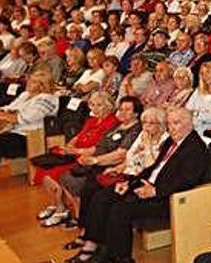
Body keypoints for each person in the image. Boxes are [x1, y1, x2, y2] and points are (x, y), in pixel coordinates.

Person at [73, 107, 208, 263]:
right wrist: (130, 183)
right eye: (169, 124)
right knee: (102, 196)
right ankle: (100, 248)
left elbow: (187, 181)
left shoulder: (195, 148)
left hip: (168, 198)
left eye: (177, 123)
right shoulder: (171, 142)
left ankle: (123, 262)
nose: (172, 128)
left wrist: (156, 191)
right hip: (149, 186)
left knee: (120, 210)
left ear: (190, 124)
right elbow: (153, 169)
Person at [41, 96, 143, 229]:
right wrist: (83, 154)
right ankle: (73, 215)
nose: (123, 112)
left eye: (128, 109)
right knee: (64, 175)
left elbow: (120, 155)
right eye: (121, 109)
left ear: (136, 113)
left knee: (77, 181)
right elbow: (97, 146)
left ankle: (82, 222)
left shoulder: (135, 130)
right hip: (95, 160)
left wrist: (94, 159)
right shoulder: (117, 125)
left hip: (109, 165)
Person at [0, 70, 59, 192]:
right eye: (30, 80)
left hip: (29, 138)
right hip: (12, 131)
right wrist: (4, 114)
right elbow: (7, 108)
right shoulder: (25, 95)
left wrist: (7, 115)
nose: (29, 83)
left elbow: (25, 118)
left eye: (34, 82)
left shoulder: (48, 99)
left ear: (43, 85)